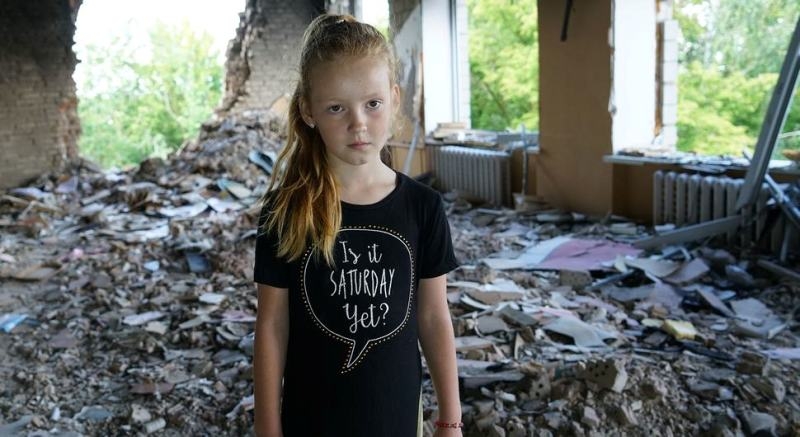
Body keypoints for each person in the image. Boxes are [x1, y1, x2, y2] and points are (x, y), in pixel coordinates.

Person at [252, 13, 463, 437]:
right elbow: (273, 326)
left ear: (395, 98)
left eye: (372, 103)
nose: (358, 124)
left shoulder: (423, 208)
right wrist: (267, 427)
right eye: (336, 108)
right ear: (308, 111)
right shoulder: (287, 209)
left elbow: (433, 316)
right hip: (310, 421)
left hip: (398, 419)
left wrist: (450, 419)